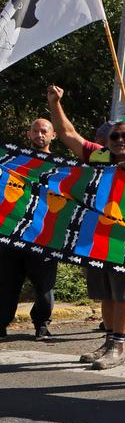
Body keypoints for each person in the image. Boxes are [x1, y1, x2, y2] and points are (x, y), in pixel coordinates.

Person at [47, 85, 125, 370]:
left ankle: (119, 345)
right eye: (114, 136)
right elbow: (69, 135)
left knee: (124, 293)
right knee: (105, 293)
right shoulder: (98, 156)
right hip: (95, 237)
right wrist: (55, 103)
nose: (119, 140)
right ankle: (108, 342)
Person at [0, 118, 60, 342]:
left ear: (53, 135)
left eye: (44, 131)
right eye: (35, 130)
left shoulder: (61, 167)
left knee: (44, 287)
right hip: (11, 235)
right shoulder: (14, 162)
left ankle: (42, 325)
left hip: (43, 236)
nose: (39, 134)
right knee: (6, 283)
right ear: (28, 134)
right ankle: (2, 323)